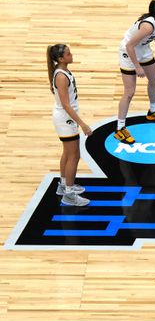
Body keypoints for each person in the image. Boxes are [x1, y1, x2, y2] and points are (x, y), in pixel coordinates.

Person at [113, 0, 155, 145]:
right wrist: (137, 66)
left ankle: (153, 111)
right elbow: (129, 45)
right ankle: (119, 129)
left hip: (142, 48)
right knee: (129, 92)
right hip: (128, 52)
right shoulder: (147, 26)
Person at [47, 44, 93, 206]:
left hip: (65, 118)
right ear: (60, 59)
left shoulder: (62, 71)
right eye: (68, 53)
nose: (71, 55)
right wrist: (82, 124)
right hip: (66, 119)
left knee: (67, 154)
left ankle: (63, 185)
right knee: (74, 156)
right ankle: (69, 193)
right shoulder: (61, 76)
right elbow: (66, 105)